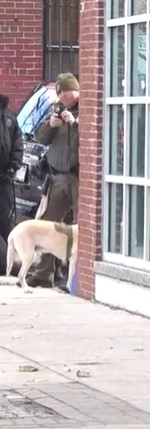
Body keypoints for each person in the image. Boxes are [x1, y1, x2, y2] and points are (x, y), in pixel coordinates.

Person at [28, 73, 80, 289]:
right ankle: (43, 274)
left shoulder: (87, 109)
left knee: (81, 226)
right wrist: (51, 124)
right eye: (59, 94)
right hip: (58, 176)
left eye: (65, 94)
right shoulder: (55, 109)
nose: (61, 98)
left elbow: (96, 136)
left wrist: (74, 123)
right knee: (48, 224)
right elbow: (40, 138)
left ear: (75, 91)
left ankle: (77, 277)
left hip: (79, 176)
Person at [0, 93, 24, 244]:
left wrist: (13, 166)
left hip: (4, 178)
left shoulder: (9, 115)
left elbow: (17, 143)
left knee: (4, 219)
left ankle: (4, 261)